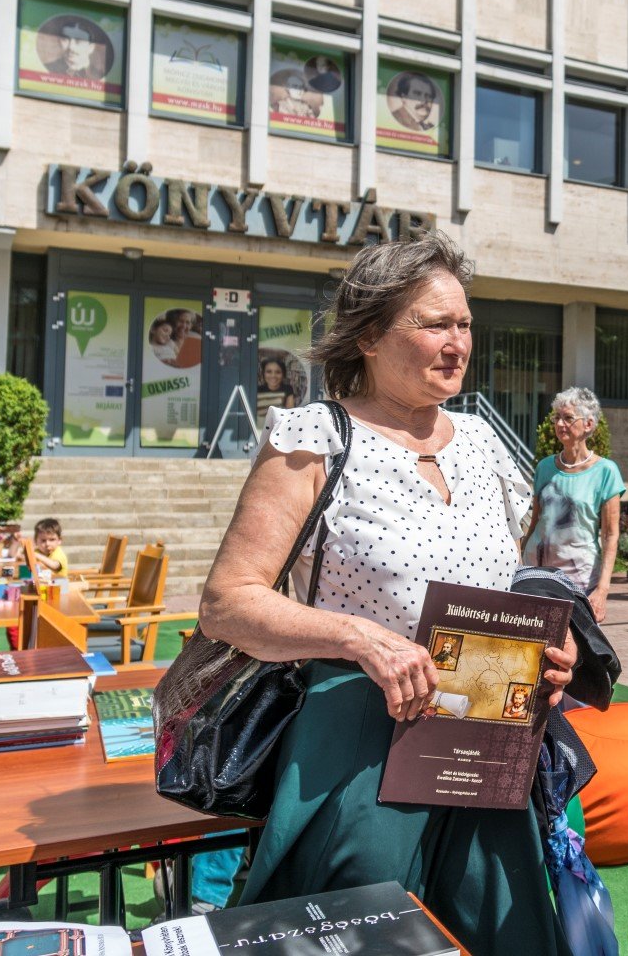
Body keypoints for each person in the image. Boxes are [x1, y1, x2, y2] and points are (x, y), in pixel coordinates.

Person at [199, 234, 578, 954]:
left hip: (485, 741)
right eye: (435, 323)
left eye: (465, 324)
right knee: (359, 936)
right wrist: (360, 638)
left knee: (502, 934)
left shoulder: (482, 442)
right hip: (357, 747)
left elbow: (512, 579)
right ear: (369, 334)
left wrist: (546, 648)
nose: (458, 342)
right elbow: (227, 602)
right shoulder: (316, 437)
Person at [521, 387, 623, 622]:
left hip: (580, 579)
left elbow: (610, 535)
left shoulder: (606, 472)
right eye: (556, 417)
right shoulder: (544, 467)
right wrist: (519, 565)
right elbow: (535, 522)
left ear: (588, 424)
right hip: (537, 575)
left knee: (575, 649)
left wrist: (603, 590)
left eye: (567, 418)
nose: (559, 424)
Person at [256, 357, 300, 422]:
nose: (273, 375)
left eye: (278, 372)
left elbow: (290, 413)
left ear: (283, 374)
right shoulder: (257, 390)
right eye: (269, 372)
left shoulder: (288, 389)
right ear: (263, 374)